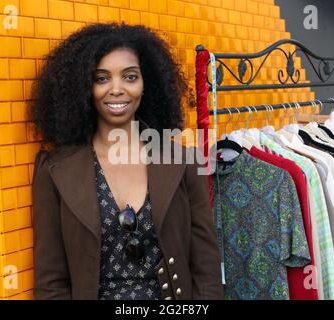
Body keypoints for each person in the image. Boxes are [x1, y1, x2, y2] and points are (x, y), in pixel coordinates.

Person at [28, 22, 223, 300]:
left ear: (147, 84)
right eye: (102, 78)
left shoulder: (185, 161)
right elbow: (51, 282)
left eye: (130, 77)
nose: (117, 89)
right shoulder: (55, 171)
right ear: (85, 87)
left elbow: (206, 269)